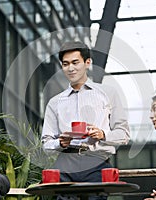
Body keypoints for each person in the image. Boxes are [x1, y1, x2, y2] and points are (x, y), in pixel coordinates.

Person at [41, 41, 130, 196]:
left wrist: (103, 134)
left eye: (75, 62)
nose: (71, 68)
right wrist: (60, 142)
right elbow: (46, 144)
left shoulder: (108, 93)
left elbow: (124, 134)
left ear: (87, 62)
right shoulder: (54, 103)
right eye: (66, 64)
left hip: (96, 161)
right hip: (65, 163)